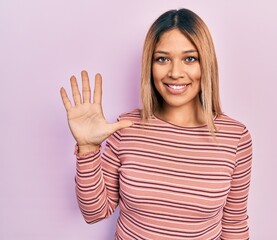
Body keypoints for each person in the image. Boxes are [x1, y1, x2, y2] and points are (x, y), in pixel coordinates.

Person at [60, 8, 252, 240]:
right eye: (162, 59)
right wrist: (88, 149)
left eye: (189, 58)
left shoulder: (235, 137)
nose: (175, 72)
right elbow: (94, 213)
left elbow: (234, 225)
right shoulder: (125, 128)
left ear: (206, 64)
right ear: (150, 67)